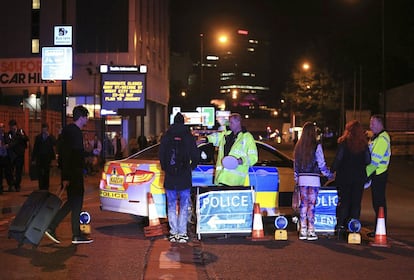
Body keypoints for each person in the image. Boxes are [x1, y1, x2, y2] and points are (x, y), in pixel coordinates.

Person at [45, 105, 93, 244]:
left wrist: (64, 175)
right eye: (86, 117)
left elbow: (63, 155)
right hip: (74, 174)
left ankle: (54, 227)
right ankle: (75, 234)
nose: (87, 120)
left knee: (72, 203)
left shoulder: (66, 132)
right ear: (81, 117)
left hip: (69, 173)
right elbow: (75, 154)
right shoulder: (75, 133)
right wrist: (90, 154)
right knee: (76, 202)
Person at [159, 112, 200, 243]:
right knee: (183, 205)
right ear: (183, 122)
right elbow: (195, 156)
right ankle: (182, 233)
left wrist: (166, 168)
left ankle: (173, 233)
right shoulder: (188, 137)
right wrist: (190, 167)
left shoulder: (166, 136)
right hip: (184, 177)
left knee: (171, 205)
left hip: (170, 177)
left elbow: (161, 155)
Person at [331, 120, 371, 239]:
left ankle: (340, 227)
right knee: (356, 203)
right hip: (359, 177)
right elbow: (368, 160)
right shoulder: (364, 144)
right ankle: (354, 228)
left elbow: (338, 159)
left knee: (344, 202)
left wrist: (332, 170)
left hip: (345, 177)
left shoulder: (343, 143)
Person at [294, 121, 333, 241]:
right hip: (314, 179)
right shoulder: (317, 146)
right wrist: (329, 174)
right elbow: (321, 164)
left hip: (302, 178)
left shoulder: (298, 147)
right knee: (311, 205)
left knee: (303, 205)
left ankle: (303, 230)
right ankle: (311, 230)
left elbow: (295, 165)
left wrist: (296, 179)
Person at [202, 113, 258, 186]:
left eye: (231, 122)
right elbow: (214, 137)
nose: (229, 124)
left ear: (238, 122)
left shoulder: (247, 138)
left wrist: (240, 161)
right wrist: (204, 139)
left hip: (234, 182)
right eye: (229, 122)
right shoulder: (226, 135)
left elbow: (253, 158)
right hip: (220, 179)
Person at [366, 114, 391, 238]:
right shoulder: (376, 138)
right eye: (370, 123)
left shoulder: (382, 139)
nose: (370, 126)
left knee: (379, 202)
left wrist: (364, 174)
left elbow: (374, 162)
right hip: (377, 174)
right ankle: (378, 228)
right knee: (377, 202)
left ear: (380, 124)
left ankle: (380, 229)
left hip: (379, 174)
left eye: (373, 123)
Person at [31, 123, 56, 191]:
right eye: (43, 128)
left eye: (45, 128)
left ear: (47, 129)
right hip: (40, 157)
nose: (44, 130)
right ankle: (41, 186)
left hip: (47, 157)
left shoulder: (50, 136)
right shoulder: (38, 137)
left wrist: (49, 136)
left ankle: (46, 186)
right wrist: (33, 158)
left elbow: (55, 143)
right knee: (40, 172)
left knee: (46, 172)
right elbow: (35, 148)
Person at [6, 119, 29, 192]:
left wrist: (22, 136)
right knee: (9, 171)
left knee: (18, 171)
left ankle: (17, 185)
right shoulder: (9, 133)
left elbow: (26, 139)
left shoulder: (20, 132)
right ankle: (11, 184)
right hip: (12, 155)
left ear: (15, 126)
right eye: (10, 126)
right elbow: (9, 141)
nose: (12, 128)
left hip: (19, 155)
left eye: (13, 126)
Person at [0, 122, 12, 194]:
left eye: (2, 127)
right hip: (0, 156)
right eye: (0, 127)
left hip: (6, 156)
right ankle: (0, 188)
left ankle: (10, 185)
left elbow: (11, 141)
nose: (1, 129)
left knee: (8, 172)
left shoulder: (7, 135)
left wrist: (8, 145)